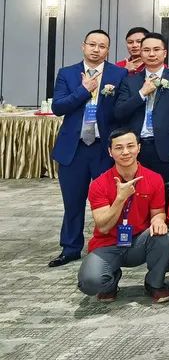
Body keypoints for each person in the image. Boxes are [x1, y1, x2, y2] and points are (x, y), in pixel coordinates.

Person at [49, 30, 127, 267]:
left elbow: (121, 112)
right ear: (83, 46)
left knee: (109, 200)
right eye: (92, 44)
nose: (96, 49)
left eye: (102, 46)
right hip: (74, 149)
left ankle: (108, 246)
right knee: (73, 201)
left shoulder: (118, 74)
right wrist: (84, 90)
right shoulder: (67, 73)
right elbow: (58, 107)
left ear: (108, 50)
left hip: (103, 149)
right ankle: (70, 248)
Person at [77, 128, 169, 303]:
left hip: (139, 242)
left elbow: (158, 213)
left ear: (139, 148)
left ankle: (155, 284)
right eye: (119, 148)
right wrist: (120, 198)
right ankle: (110, 282)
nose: (126, 152)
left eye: (130, 146)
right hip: (107, 244)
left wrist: (159, 220)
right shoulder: (99, 184)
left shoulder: (154, 178)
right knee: (89, 283)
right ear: (110, 152)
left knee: (163, 236)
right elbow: (103, 226)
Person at [113, 33, 169, 182]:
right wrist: (142, 93)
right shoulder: (130, 81)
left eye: (156, 49)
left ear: (164, 53)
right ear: (141, 53)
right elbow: (119, 112)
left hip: (166, 146)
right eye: (146, 50)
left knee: (164, 189)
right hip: (136, 146)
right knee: (137, 189)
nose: (151, 54)